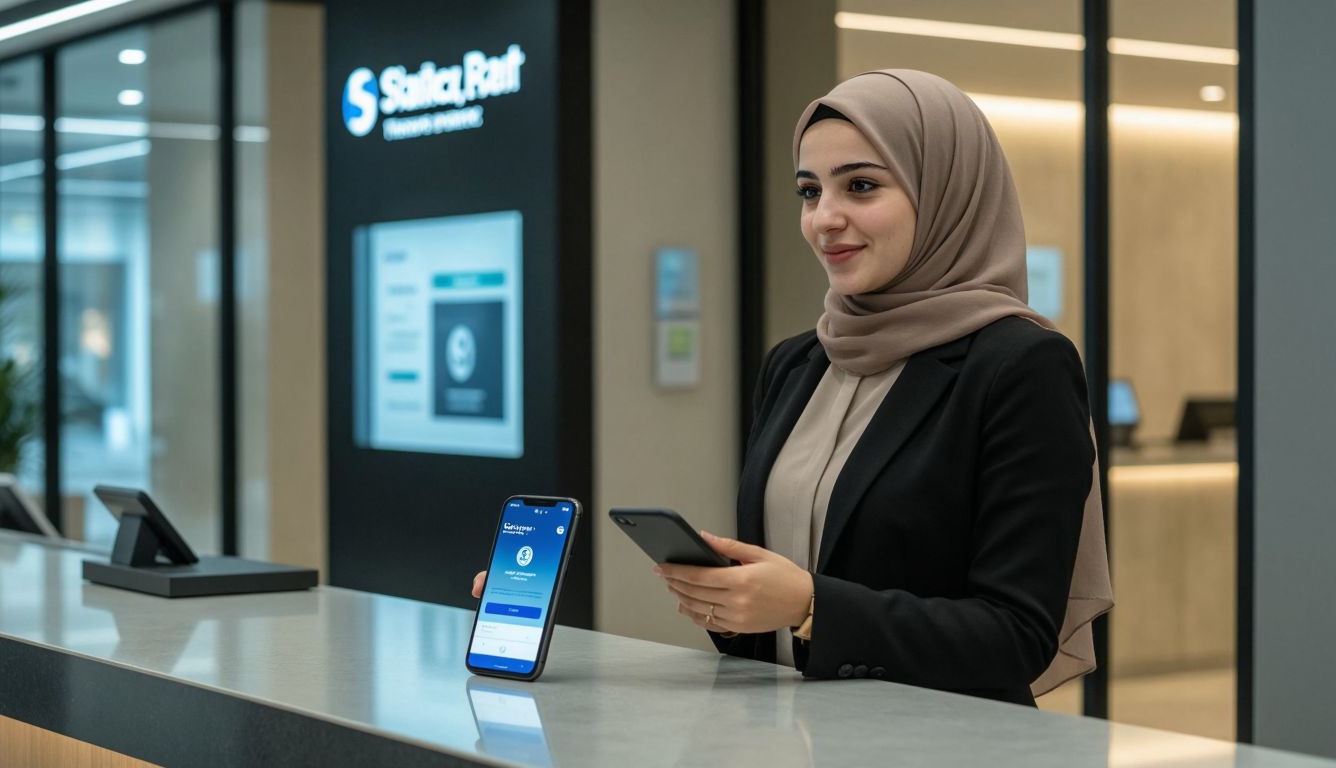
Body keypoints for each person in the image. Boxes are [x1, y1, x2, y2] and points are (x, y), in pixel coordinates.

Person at [474, 69, 1113, 707]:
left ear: (945, 190)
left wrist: (810, 606)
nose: (825, 219)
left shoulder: (1020, 364)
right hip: (792, 736)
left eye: (861, 186)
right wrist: (728, 600)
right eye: (810, 192)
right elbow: (775, 629)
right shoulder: (797, 363)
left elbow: (1015, 637)